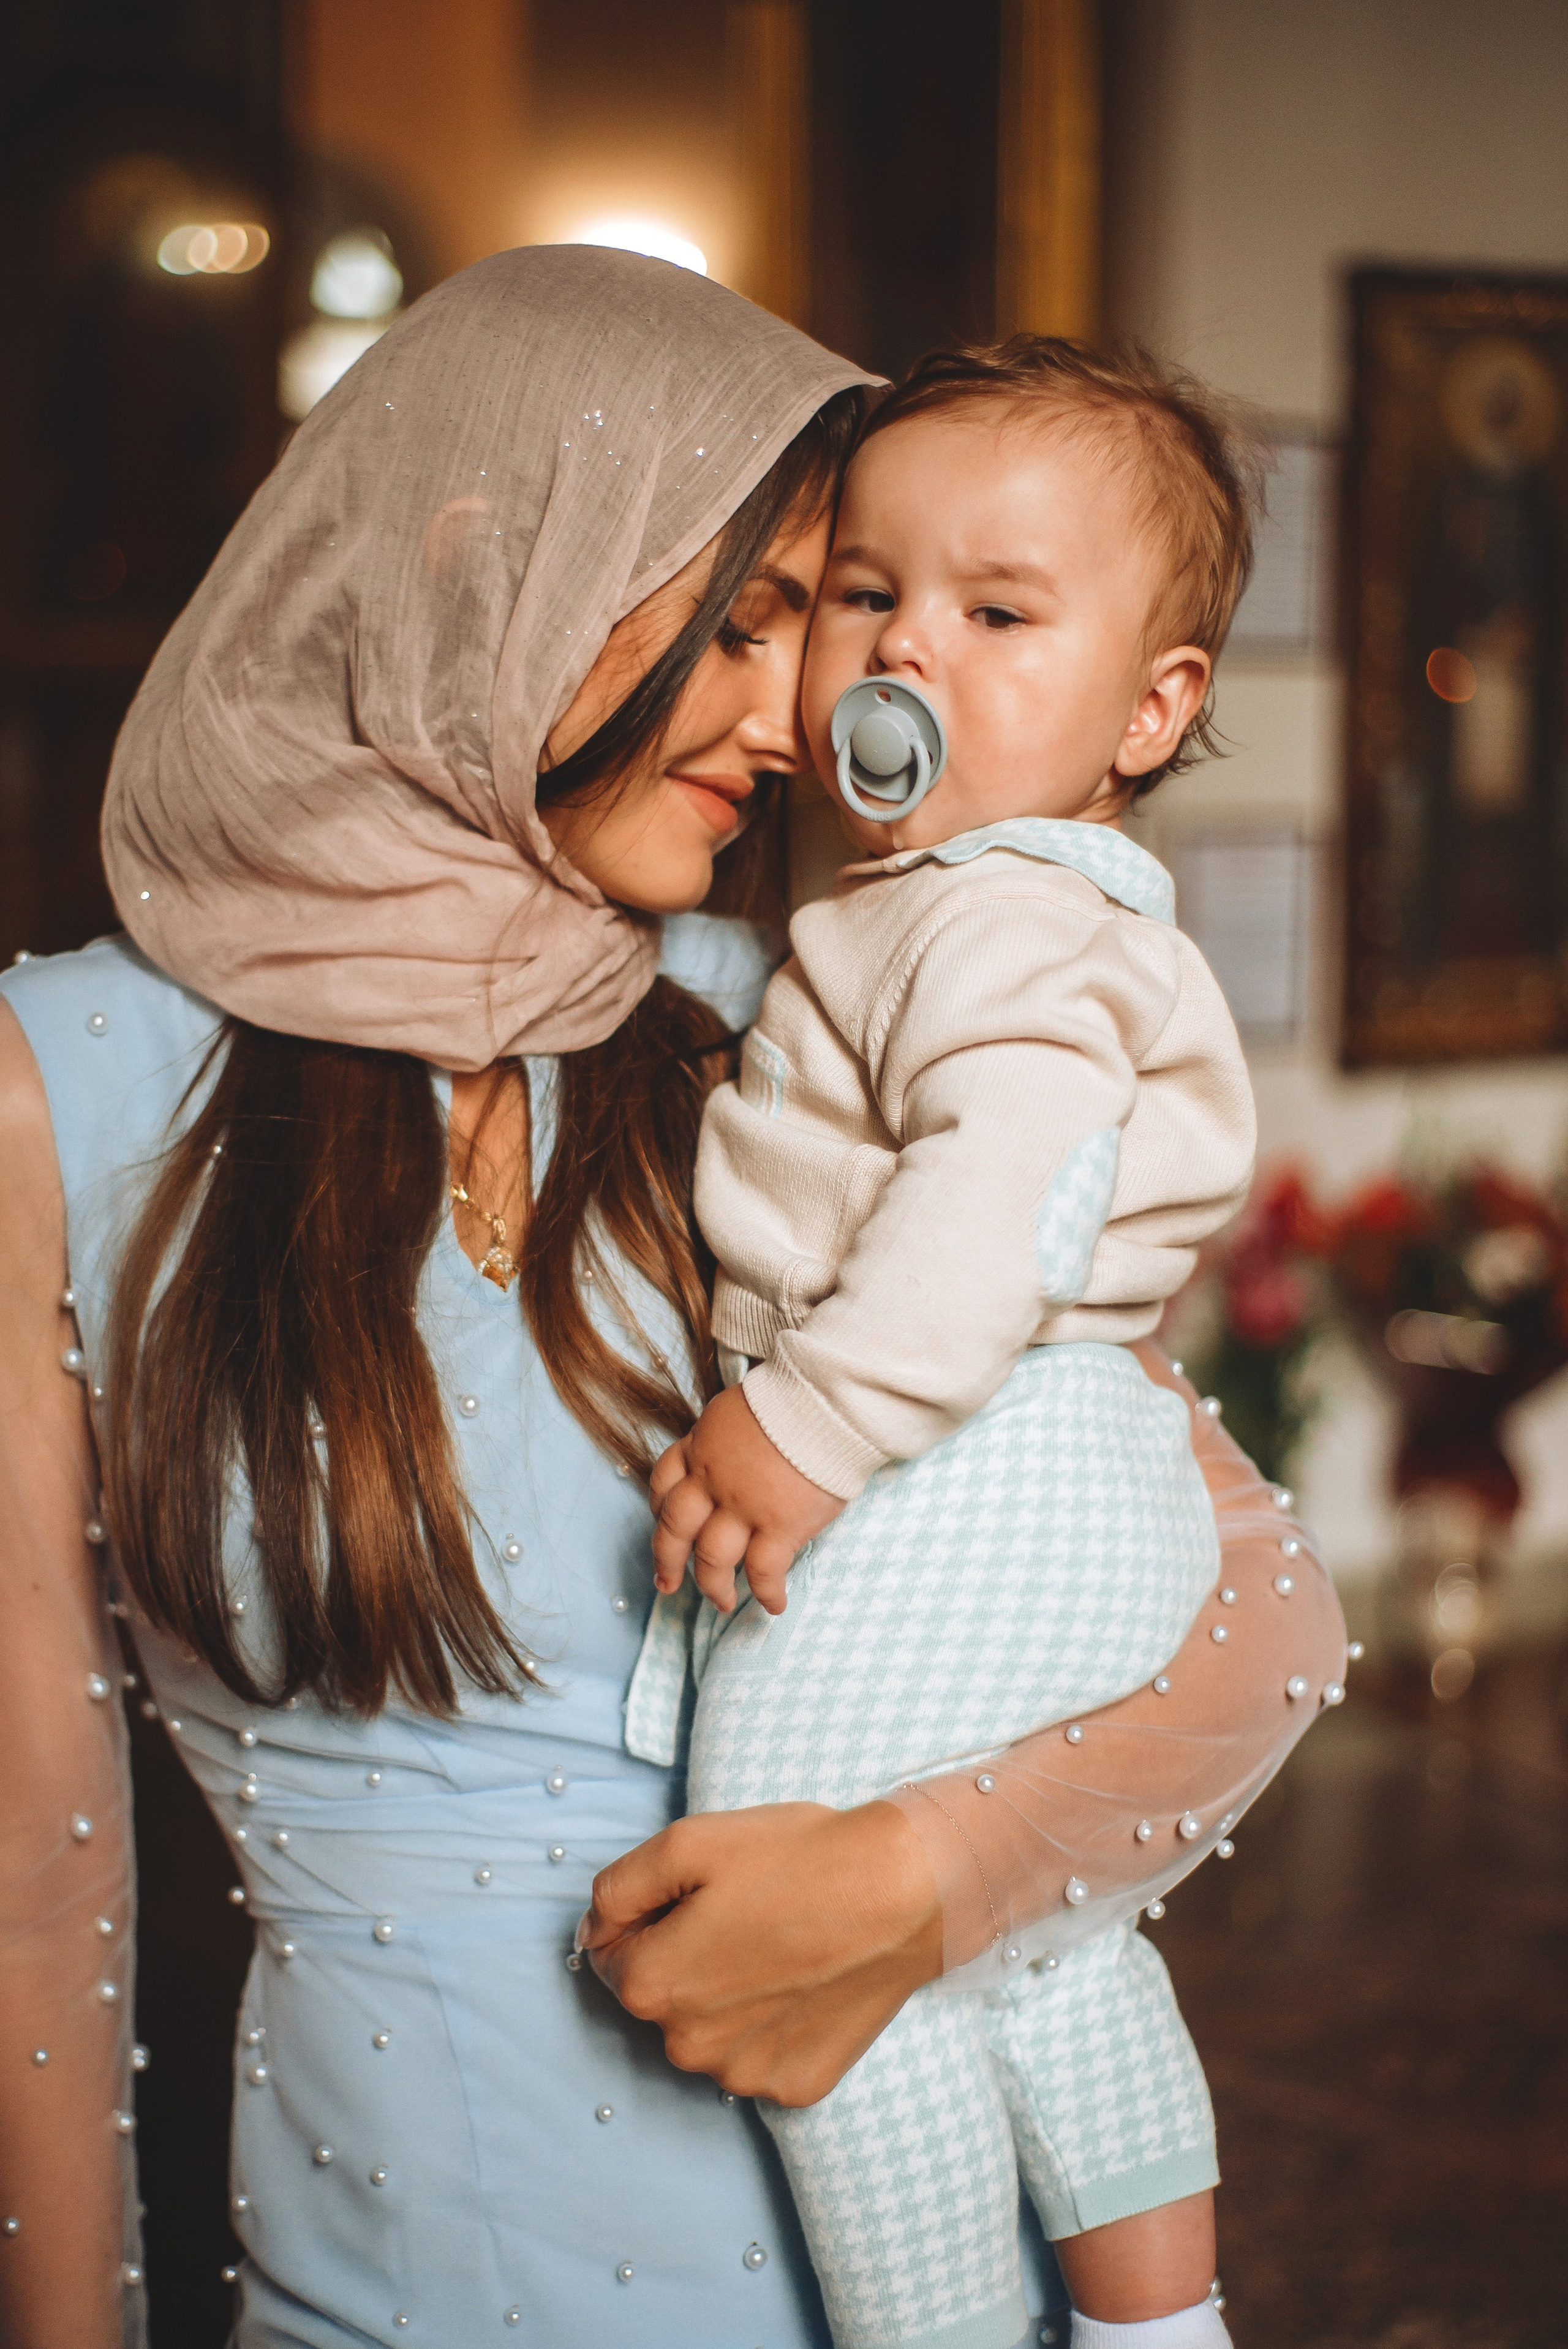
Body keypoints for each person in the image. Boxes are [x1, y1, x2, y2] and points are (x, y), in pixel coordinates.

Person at [0, 250, 1344, 2349]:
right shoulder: (51, 1090)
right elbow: (37, 1885)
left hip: (923, 2272)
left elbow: (1266, 1614)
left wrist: (921, 1878)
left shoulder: (777, 1023)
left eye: (822, 624)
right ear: (490, 560)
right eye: (749, 620)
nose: (800, 709)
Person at [646, 339, 1306, 2349]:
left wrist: (806, 1429)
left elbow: (995, 1185)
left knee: (802, 1911)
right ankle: (1152, 2325)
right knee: (1053, 1955)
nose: (906, 652)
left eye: (999, 613)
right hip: (1072, 1460)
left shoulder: (987, 915)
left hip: (955, 1466)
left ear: (1150, 706)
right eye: (870, 592)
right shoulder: (977, 895)